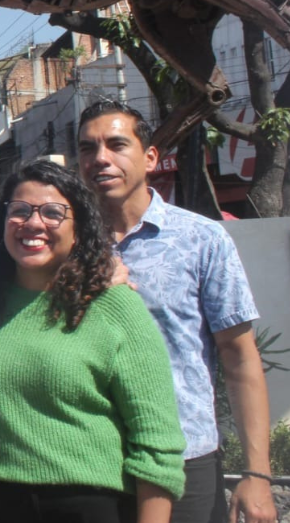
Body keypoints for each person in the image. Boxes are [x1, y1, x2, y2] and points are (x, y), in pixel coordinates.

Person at [77, 100, 276, 523]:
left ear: (150, 157)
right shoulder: (61, 245)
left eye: (116, 144)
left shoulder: (202, 240)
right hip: (89, 461)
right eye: (87, 148)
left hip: (185, 460)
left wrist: (257, 474)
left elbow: (240, 359)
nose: (100, 159)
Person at [0, 159, 185, 523]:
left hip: (89, 505)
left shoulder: (114, 305)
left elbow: (157, 440)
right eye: (19, 211)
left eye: (53, 213)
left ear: (78, 229)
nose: (33, 223)